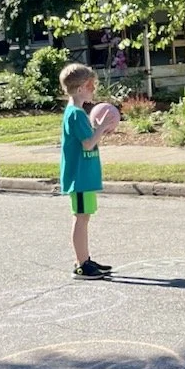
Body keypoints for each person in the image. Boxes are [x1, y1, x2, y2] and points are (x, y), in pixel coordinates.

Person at [59, 62, 115, 280]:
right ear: (81, 88)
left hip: (84, 176)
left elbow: (88, 139)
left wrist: (99, 129)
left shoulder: (78, 113)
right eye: (91, 85)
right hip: (79, 177)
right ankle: (81, 264)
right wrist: (101, 127)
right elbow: (88, 144)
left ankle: (85, 259)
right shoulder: (76, 114)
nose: (94, 89)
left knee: (84, 217)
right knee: (81, 218)